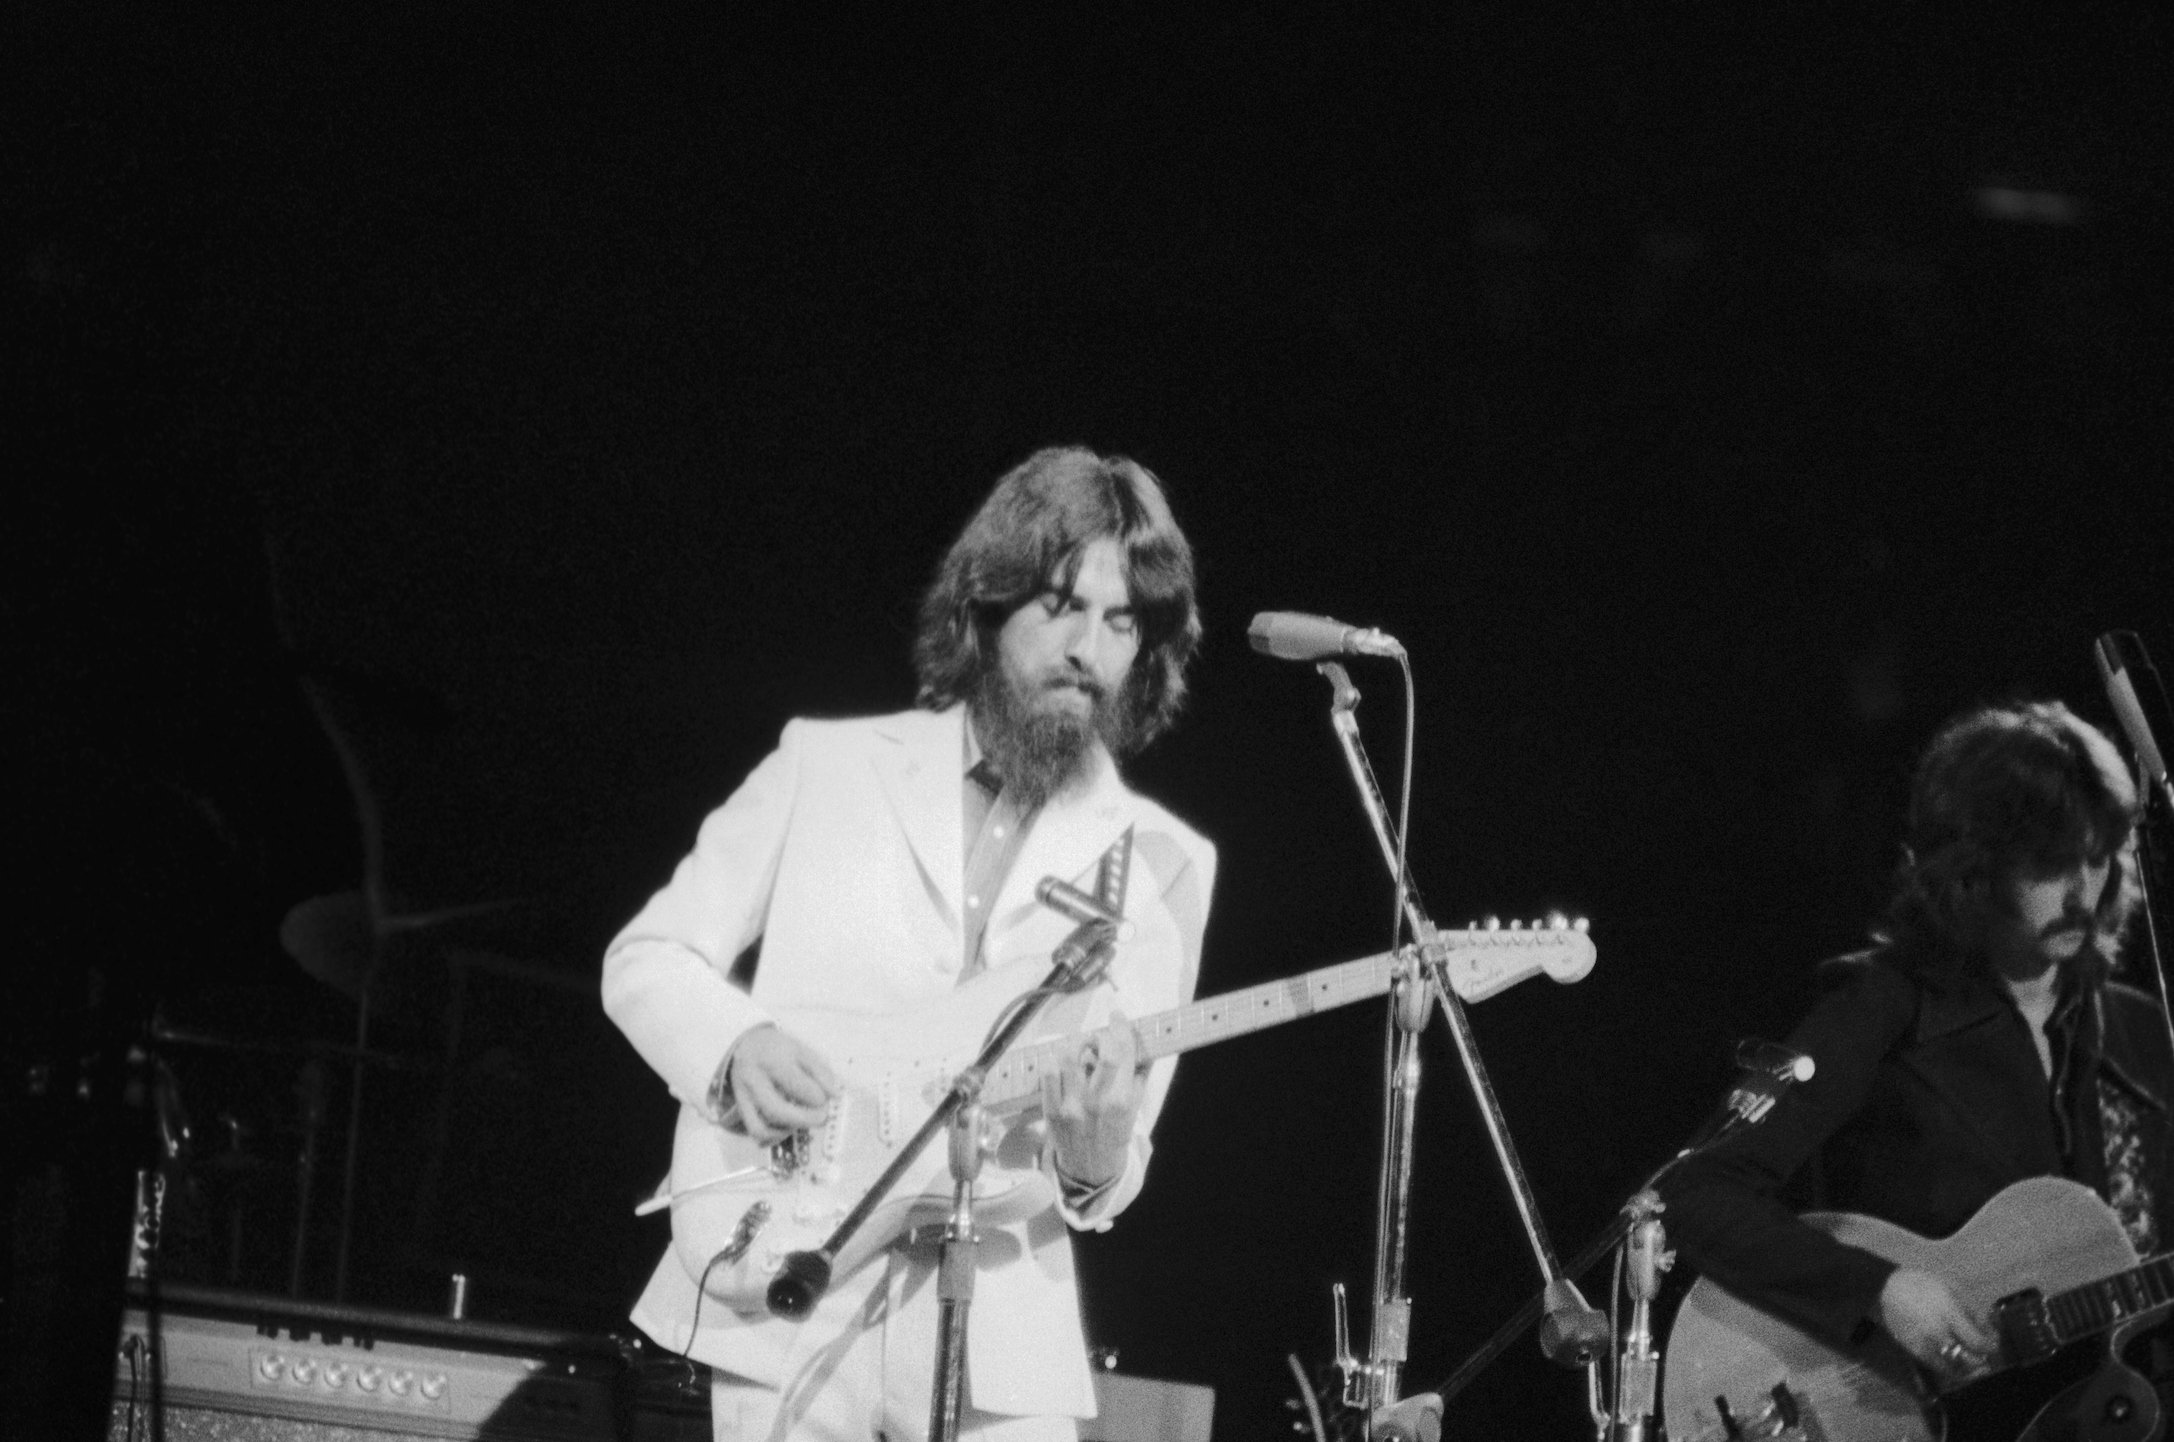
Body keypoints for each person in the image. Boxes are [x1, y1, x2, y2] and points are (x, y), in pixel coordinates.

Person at [602, 446, 1216, 1441]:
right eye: (1060, 604)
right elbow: (647, 956)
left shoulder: (1160, 861)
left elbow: (1113, 1163)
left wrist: (1097, 1154)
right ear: (988, 603)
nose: (1088, 650)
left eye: (1120, 623)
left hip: (1005, 1338)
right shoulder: (829, 764)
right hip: (793, 1283)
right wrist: (733, 1045)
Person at [1662, 699, 2170, 1386]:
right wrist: (1880, 1289)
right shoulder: (1884, 1007)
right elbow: (1697, 1190)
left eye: (2099, 859)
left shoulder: (2143, 1033)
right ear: (1972, 869)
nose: (2085, 894)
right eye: (2050, 865)